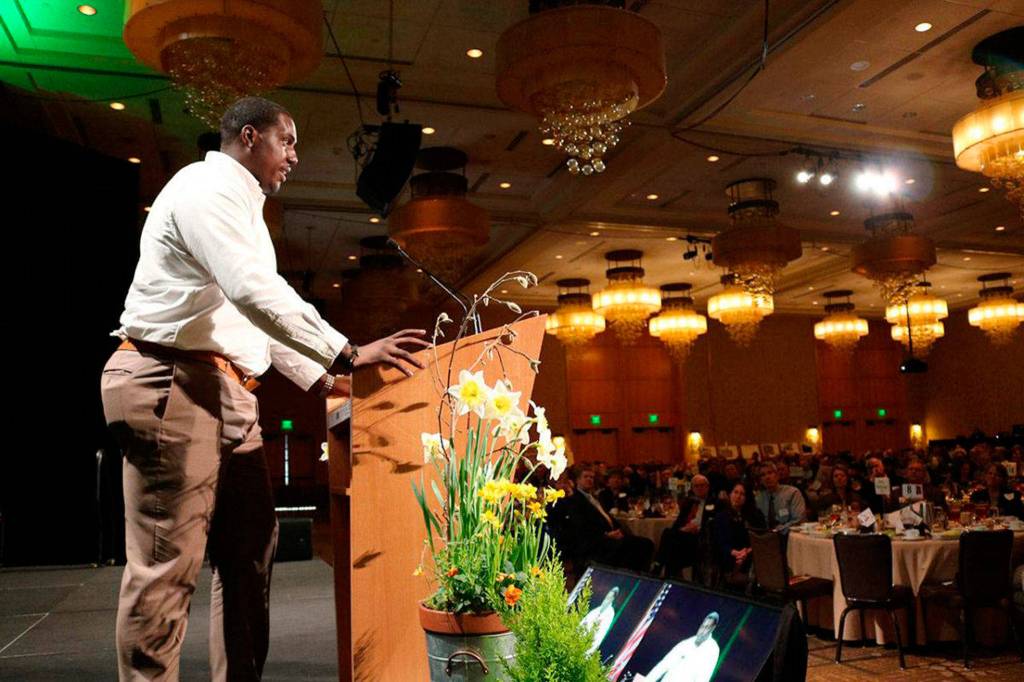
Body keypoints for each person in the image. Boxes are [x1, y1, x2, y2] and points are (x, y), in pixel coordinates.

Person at [100, 97, 429, 681]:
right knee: (165, 568)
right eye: (289, 141)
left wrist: (332, 376)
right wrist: (348, 353)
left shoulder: (242, 209)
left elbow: (249, 315)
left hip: (228, 393)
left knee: (251, 552)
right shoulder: (204, 187)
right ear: (249, 136)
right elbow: (253, 291)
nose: (295, 157)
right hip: (172, 378)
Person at [559, 466, 655, 573]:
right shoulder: (575, 500)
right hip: (596, 542)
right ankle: (632, 576)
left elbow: (607, 517)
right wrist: (606, 535)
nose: (589, 479)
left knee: (645, 543)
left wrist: (619, 530)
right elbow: (582, 527)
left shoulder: (593, 497)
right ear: (577, 480)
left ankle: (639, 575)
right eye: (586, 477)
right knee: (641, 545)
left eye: (591, 477)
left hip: (608, 536)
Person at [654, 475, 715, 578]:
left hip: (700, 537)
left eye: (702, 485)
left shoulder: (715, 502)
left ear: (707, 487)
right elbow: (677, 523)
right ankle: (667, 575)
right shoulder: (688, 503)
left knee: (669, 537)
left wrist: (698, 528)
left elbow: (714, 524)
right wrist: (683, 529)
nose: (699, 488)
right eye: (696, 486)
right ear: (692, 488)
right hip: (684, 536)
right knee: (670, 539)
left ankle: (658, 566)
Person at [633, 612, 722, 682]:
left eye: (707, 627)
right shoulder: (686, 643)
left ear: (712, 628)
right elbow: (664, 664)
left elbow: (704, 677)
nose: (702, 631)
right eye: (702, 626)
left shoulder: (712, 649)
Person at [712, 482, 765, 585]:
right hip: (730, 555)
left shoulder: (756, 515)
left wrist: (747, 552)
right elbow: (720, 542)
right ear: (730, 494)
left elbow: (761, 538)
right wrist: (735, 553)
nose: (738, 496)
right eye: (735, 492)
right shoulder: (721, 516)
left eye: (742, 494)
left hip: (751, 554)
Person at [753, 462, 806, 530]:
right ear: (760, 480)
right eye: (763, 475)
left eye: (770, 473)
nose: (767, 477)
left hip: (789, 535)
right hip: (767, 536)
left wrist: (780, 530)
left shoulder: (792, 493)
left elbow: (799, 520)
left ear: (777, 475)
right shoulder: (759, 498)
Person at [580, 586, 619, 655]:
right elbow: (583, 622)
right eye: (607, 596)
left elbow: (601, 633)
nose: (607, 598)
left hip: (588, 644)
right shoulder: (596, 610)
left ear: (613, 599)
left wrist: (590, 649)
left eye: (609, 597)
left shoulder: (610, 613)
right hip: (579, 638)